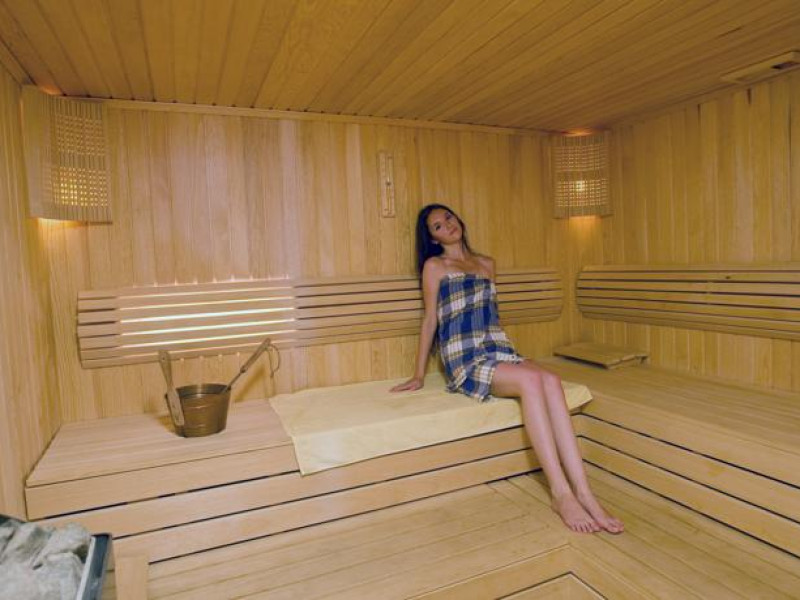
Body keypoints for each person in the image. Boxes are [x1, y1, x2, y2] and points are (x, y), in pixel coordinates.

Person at [391, 203, 624, 534]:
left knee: (551, 379)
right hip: (464, 354)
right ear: (432, 238)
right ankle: (561, 494)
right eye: (438, 226)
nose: (447, 225)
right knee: (530, 382)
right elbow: (430, 320)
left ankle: (585, 492)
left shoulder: (487, 264)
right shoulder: (435, 266)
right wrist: (418, 374)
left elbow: (491, 316)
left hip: (496, 346)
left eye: (448, 218)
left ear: (458, 219)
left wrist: (509, 355)